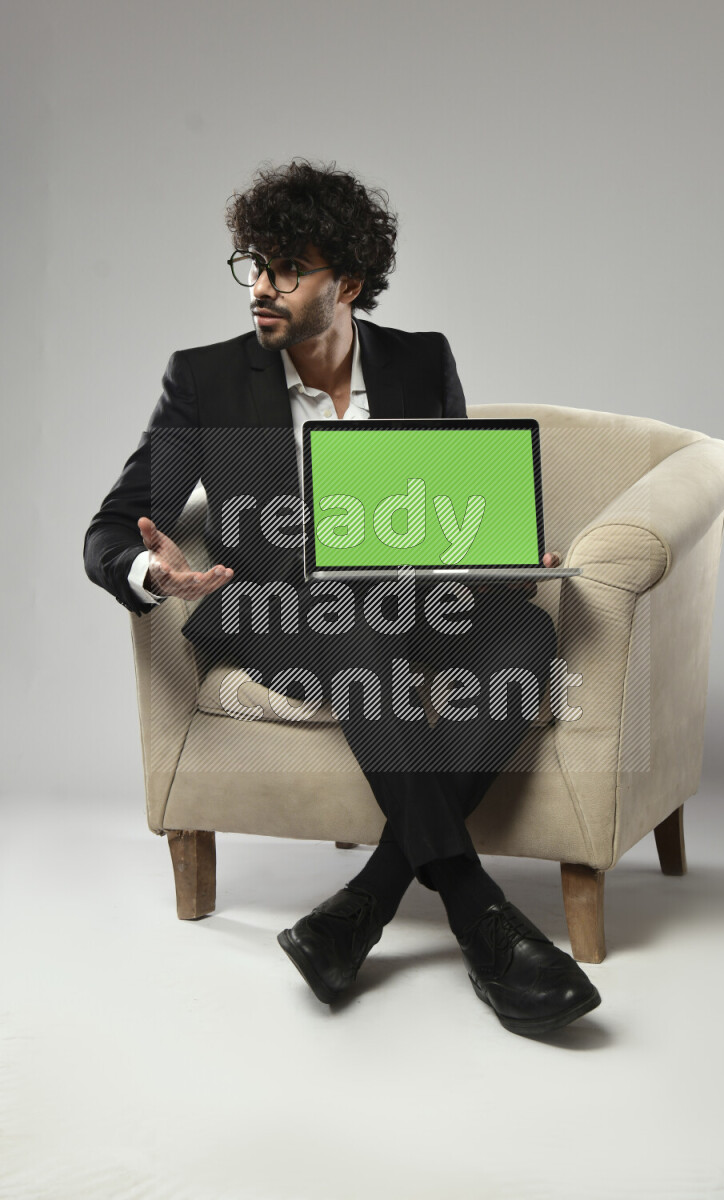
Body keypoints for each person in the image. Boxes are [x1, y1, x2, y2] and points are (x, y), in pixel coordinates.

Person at [84, 159, 600, 1038]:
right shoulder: (204, 381)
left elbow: (454, 516)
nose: (261, 287)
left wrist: (504, 557)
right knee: (351, 624)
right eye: (252, 264)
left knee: (523, 632)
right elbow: (113, 527)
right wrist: (153, 575)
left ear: (348, 283)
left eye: (287, 269)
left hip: (414, 608)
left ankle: (360, 907)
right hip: (280, 615)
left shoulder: (421, 361)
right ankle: (478, 911)